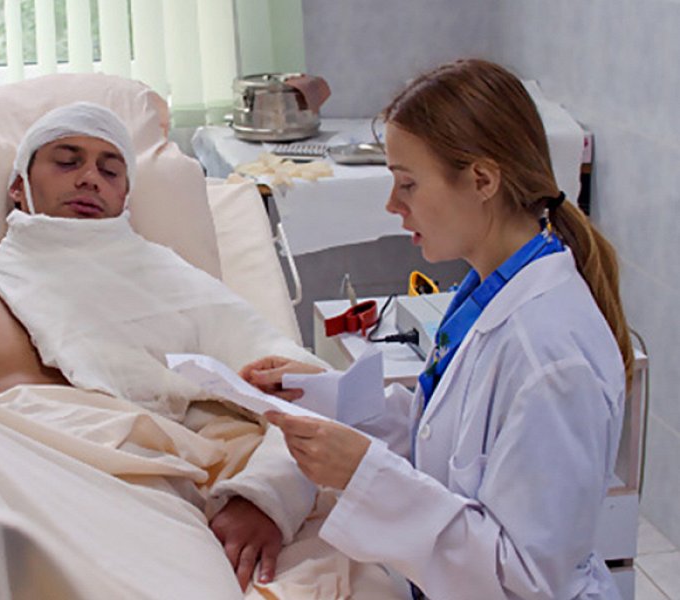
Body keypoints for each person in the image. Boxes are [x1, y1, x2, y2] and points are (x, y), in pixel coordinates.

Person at [0, 101, 322, 591]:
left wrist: (266, 497)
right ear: (18, 187)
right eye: (66, 161)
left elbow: (309, 389)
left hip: (135, 504)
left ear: (124, 197)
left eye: (110, 170)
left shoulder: (175, 287)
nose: (89, 179)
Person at [241, 59, 633, 599]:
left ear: (482, 180)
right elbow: (441, 435)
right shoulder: (488, 291)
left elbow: (525, 583)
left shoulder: (549, 356)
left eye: (407, 183)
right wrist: (320, 394)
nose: (392, 204)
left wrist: (364, 476)